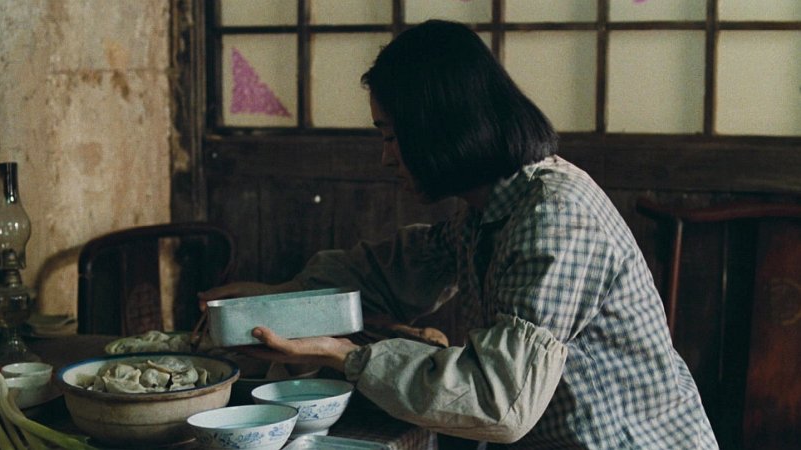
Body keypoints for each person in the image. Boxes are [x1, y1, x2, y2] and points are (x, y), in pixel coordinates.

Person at [200, 20, 719, 449]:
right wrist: (270, 300)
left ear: (441, 128)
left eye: (392, 136)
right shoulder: (488, 212)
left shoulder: (555, 216)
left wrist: (345, 355)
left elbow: (499, 402)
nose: (386, 157)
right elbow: (382, 273)